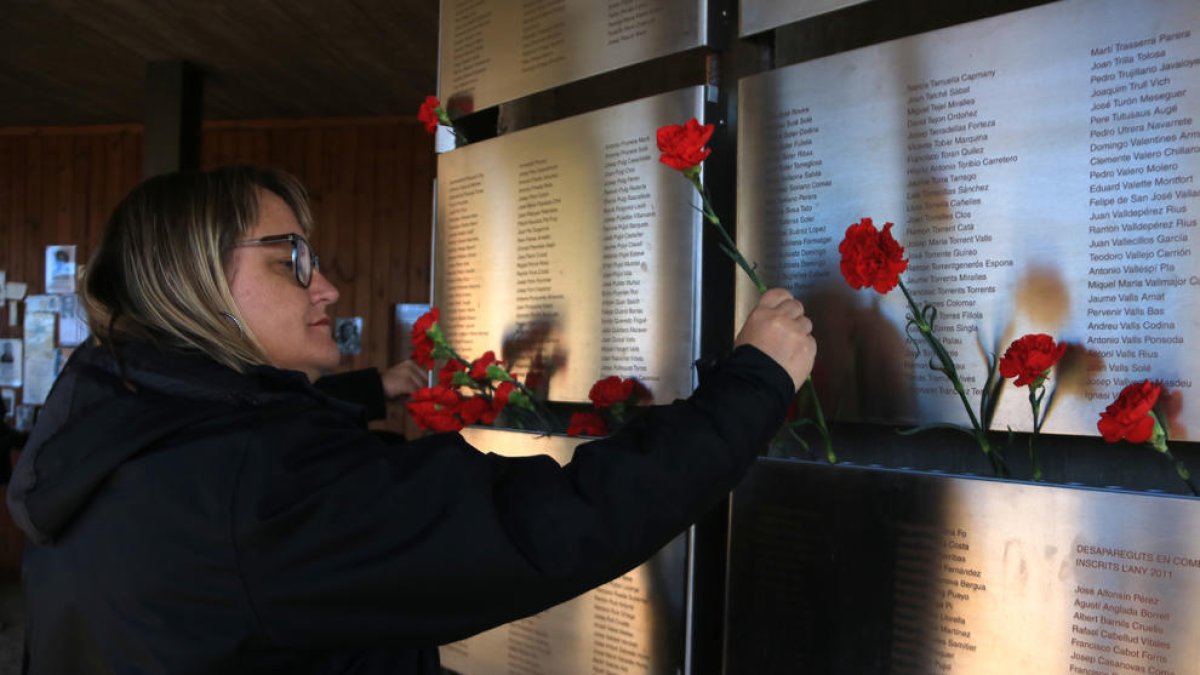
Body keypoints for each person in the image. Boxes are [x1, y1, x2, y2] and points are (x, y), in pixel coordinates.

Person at [7, 166, 815, 674]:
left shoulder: (110, 420)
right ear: (194, 280)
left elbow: (237, 442)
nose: (324, 284)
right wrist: (751, 387)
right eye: (289, 258)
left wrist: (369, 390)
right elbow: (543, 524)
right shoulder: (256, 491)